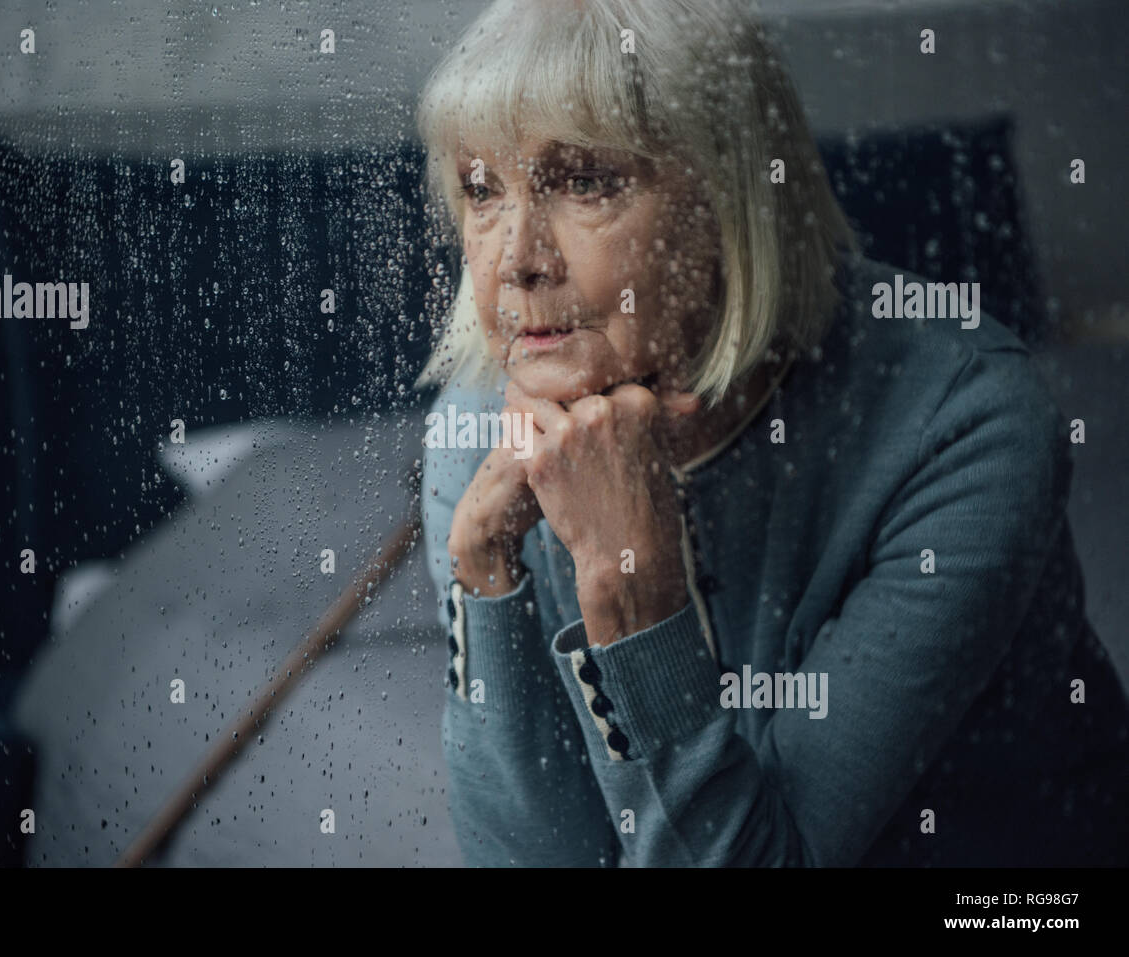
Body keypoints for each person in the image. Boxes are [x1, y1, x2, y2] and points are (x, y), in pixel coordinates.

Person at [411, 0, 1129, 866]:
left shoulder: (968, 427)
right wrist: (486, 583)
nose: (517, 258)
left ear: (728, 193)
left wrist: (632, 598)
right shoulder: (473, 431)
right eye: (482, 189)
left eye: (585, 180)